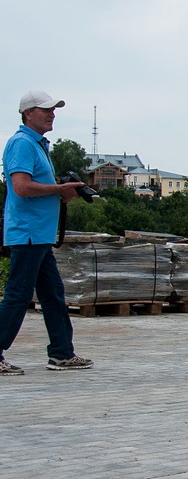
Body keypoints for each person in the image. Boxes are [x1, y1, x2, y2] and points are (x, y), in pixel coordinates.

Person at [0, 91, 93, 376]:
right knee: (17, 295)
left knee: (53, 295)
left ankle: (62, 353)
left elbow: (34, 187)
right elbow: (21, 187)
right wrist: (58, 190)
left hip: (39, 235)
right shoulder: (22, 144)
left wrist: (62, 193)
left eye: (53, 110)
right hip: (27, 234)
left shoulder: (38, 145)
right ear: (28, 113)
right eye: (45, 110)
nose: (52, 114)